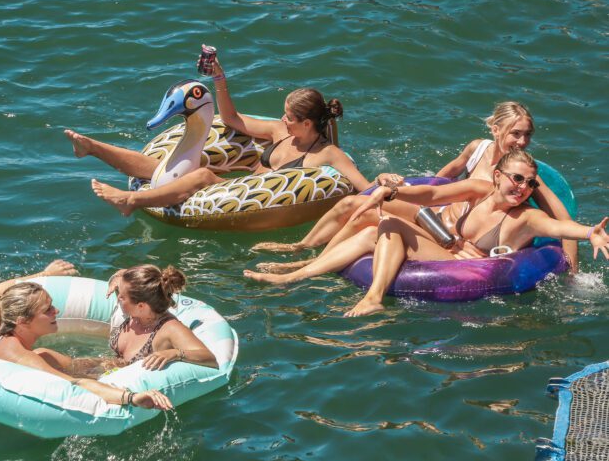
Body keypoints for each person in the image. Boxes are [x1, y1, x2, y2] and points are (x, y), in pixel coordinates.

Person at [244, 149, 608, 317]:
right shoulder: (479, 189)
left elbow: (559, 227)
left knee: (387, 225)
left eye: (529, 183)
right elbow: (433, 193)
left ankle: (373, 297)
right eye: (516, 179)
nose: (522, 187)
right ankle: (293, 275)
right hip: (450, 251)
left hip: (466, 267)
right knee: (375, 230)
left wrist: (588, 232)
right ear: (497, 176)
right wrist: (393, 189)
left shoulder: (526, 218)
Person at [252, 101, 579, 271]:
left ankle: (309, 263)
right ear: (495, 129)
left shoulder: (519, 175)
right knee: (355, 202)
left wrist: (571, 268)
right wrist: (418, 189)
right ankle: (301, 248)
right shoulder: (477, 147)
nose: (521, 141)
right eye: (515, 133)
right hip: (436, 215)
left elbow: (562, 218)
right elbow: (442, 178)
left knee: (371, 216)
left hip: (450, 238)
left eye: (527, 135)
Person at [65, 53, 372, 216]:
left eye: (289, 117)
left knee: (201, 177)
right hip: (238, 185)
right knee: (167, 164)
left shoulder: (327, 154)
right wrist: (220, 78)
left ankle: (133, 200)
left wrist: (387, 188)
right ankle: (92, 147)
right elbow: (232, 119)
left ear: (307, 124)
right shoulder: (280, 132)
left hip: (252, 198)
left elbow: (364, 187)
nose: (282, 120)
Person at [0, 281, 173, 410]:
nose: (56, 311)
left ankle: (122, 362)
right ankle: (125, 364)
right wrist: (131, 397)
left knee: (47, 354)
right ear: (23, 321)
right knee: (59, 365)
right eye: (47, 310)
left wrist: (47, 273)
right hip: (2, 403)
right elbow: (74, 384)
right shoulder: (21, 358)